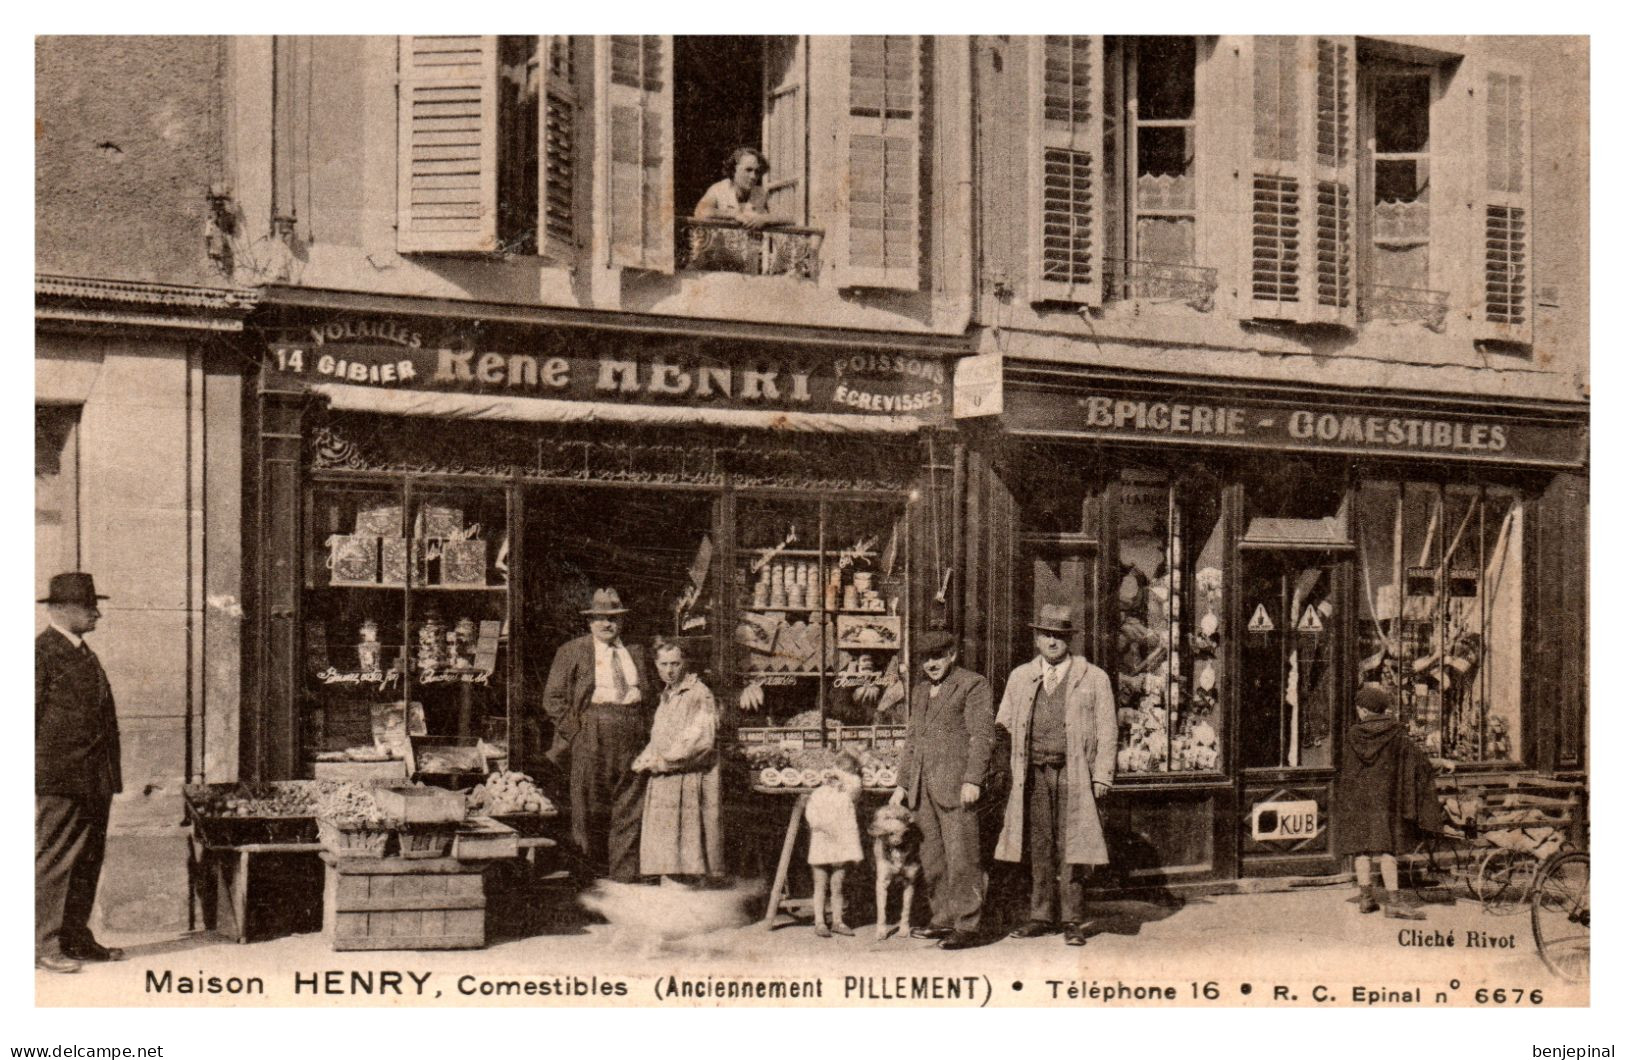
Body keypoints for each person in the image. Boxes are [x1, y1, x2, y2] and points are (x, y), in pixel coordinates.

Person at [993, 604, 1117, 947]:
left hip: (1074, 773)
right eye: (1046, 634)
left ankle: (1073, 919)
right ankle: (1040, 915)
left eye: (1059, 635)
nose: (1052, 641)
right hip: (1032, 773)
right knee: (1039, 844)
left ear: (1069, 640)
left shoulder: (1093, 678)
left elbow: (1108, 730)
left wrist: (1103, 774)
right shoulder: (1021, 677)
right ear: (1036, 638)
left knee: (1072, 845)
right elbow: (1003, 723)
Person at [36, 572, 125, 973]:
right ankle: (42, 943)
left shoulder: (83, 652)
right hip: (60, 778)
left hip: (94, 778)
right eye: (90, 607)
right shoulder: (41, 654)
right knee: (55, 861)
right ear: (62, 609)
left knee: (88, 858)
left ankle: (74, 937)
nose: (98, 614)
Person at [890, 630, 996, 950]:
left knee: (962, 857)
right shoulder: (921, 691)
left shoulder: (973, 684)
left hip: (956, 787)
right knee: (932, 857)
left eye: (938, 656)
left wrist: (973, 779)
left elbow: (982, 736)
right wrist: (902, 784)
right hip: (923, 787)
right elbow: (913, 741)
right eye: (926, 658)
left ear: (952, 654)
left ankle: (968, 925)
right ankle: (943, 917)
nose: (932, 664)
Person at [543, 587, 650, 882]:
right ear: (590, 622)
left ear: (622, 622)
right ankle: (587, 883)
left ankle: (623, 883)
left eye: (613, 618)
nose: (607, 624)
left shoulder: (637, 652)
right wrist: (577, 735)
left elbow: (649, 696)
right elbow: (553, 699)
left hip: (632, 730)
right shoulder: (572, 650)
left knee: (630, 808)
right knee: (588, 809)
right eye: (600, 618)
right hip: (591, 731)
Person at [1333, 683, 1451, 919]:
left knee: (1361, 849)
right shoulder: (1396, 734)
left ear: (1365, 710)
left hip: (1358, 799)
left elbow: (1344, 770)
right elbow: (1418, 762)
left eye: (1359, 707)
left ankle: (1366, 898)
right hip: (1387, 799)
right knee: (1388, 849)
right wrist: (1443, 764)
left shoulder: (1352, 735)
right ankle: (1394, 901)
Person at [631, 638, 723, 881]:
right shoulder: (668, 694)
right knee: (668, 851)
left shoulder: (698, 693)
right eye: (663, 664)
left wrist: (664, 760)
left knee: (686, 849)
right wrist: (647, 755)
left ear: (685, 663)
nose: (669, 670)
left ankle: (689, 904)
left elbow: (701, 740)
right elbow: (662, 734)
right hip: (667, 781)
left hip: (688, 780)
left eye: (675, 663)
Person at [804, 750, 864, 938]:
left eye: (843, 775)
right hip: (822, 842)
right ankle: (820, 921)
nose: (834, 780)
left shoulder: (848, 794)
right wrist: (822, 826)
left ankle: (838, 921)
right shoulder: (818, 794)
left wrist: (843, 775)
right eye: (832, 775)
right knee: (820, 884)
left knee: (838, 885)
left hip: (841, 845)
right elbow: (811, 816)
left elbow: (855, 785)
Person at [694, 147, 776, 229]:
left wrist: (765, 218)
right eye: (748, 170)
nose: (753, 176)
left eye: (757, 171)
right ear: (734, 170)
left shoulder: (761, 193)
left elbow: (785, 216)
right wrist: (734, 215)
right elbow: (700, 211)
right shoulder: (719, 189)